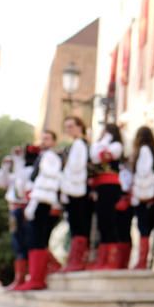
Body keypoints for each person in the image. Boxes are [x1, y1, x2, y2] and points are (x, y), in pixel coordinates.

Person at [21, 130, 62, 290]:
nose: (43, 141)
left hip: (43, 199)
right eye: (43, 138)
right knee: (34, 238)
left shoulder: (50, 157)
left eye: (47, 138)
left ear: (53, 141)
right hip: (38, 198)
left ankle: (37, 278)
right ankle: (35, 276)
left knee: (37, 237)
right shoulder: (43, 156)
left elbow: (51, 177)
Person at [0, 144, 38, 289]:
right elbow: (1, 182)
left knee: (26, 241)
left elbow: (21, 184)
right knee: (17, 243)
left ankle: (27, 276)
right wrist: (5, 166)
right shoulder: (18, 173)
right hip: (14, 209)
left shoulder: (28, 171)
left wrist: (17, 161)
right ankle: (20, 277)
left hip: (24, 209)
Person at [89, 124, 125, 270]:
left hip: (111, 186)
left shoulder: (117, 145)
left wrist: (106, 140)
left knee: (110, 220)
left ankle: (111, 260)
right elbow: (94, 156)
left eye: (106, 132)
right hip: (100, 186)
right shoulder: (98, 145)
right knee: (102, 221)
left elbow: (102, 157)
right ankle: (102, 259)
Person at [60, 116, 93, 272]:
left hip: (78, 190)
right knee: (76, 225)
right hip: (73, 189)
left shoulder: (81, 144)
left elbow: (76, 168)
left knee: (79, 225)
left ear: (80, 126)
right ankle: (74, 259)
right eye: (67, 126)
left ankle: (78, 260)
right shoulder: (76, 145)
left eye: (71, 126)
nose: (69, 129)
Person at [131, 126, 154, 269]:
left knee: (143, 228)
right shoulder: (152, 151)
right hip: (148, 193)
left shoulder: (143, 150)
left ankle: (142, 261)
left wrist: (139, 190)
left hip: (144, 194)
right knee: (145, 228)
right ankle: (143, 260)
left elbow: (143, 172)